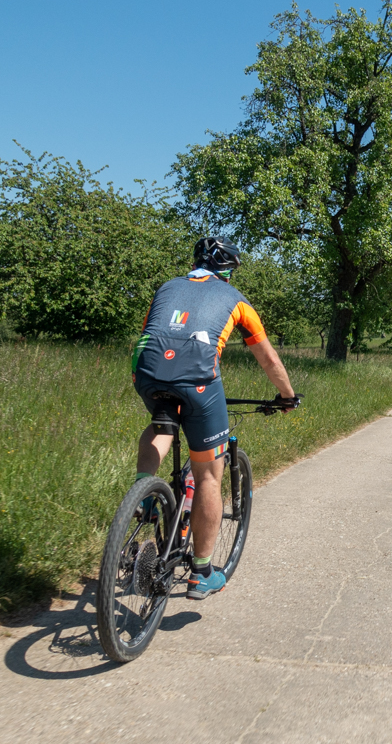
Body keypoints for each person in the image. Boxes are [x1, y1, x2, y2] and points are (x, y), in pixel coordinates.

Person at [130, 236, 298, 598]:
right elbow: (269, 358)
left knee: (162, 425)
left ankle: (143, 494)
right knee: (208, 474)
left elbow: (152, 332)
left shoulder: (167, 288)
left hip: (146, 373)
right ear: (229, 270)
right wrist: (287, 396)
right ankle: (202, 572)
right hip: (198, 383)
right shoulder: (236, 300)